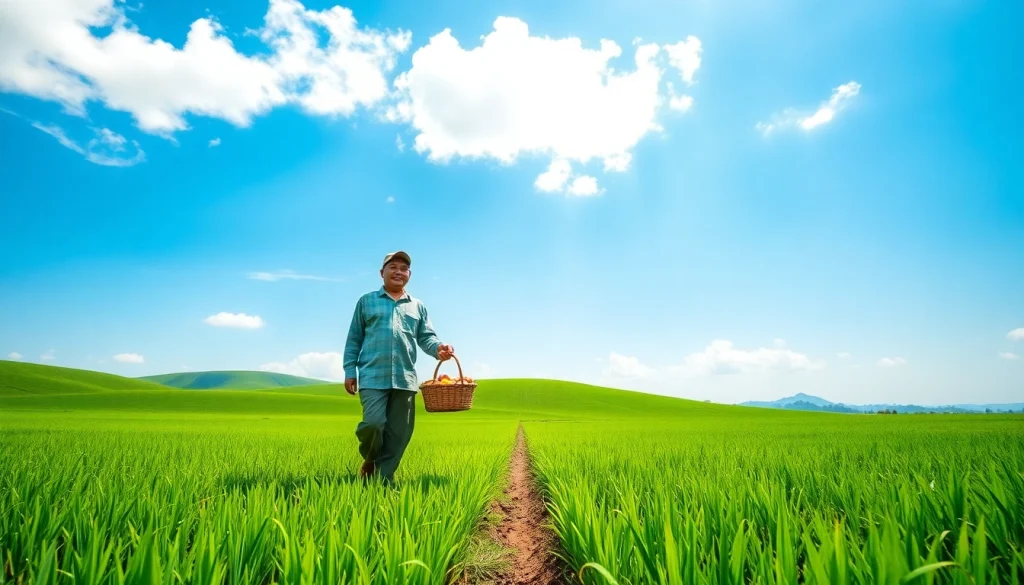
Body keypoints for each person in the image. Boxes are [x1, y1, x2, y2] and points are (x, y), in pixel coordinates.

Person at [343, 251, 454, 485]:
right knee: (373, 424)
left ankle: (384, 480)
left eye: (404, 268)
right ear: (382, 273)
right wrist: (350, 370)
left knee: (399, 433)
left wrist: (439, 349)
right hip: (372, 375)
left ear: (409, 275)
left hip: (405, 378)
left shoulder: (417, 306)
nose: (398, 272)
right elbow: (354, 338)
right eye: (393, 267)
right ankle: (371, 458)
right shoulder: (366, 301)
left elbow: (427, 338)